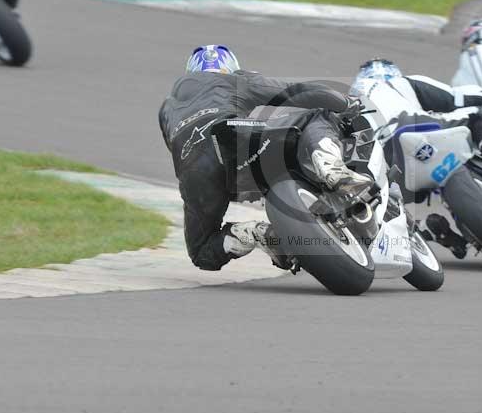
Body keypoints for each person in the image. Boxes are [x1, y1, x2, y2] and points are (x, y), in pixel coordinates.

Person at [159, 44, 372, 271]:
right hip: (232, 135)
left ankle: (253, 233)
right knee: (316, 115)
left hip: (192, 170)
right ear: (230, 67)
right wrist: (345, 102)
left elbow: (173, 144)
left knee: (202, 253)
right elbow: (296, 92)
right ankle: (332, 169)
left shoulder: (167, 107)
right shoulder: (236, 80)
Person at [350, 58, 482, 181]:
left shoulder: (350, 106)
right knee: (479, 112)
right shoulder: (400, 83)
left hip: (381, 165)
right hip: (413, 127)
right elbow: (455, 97)